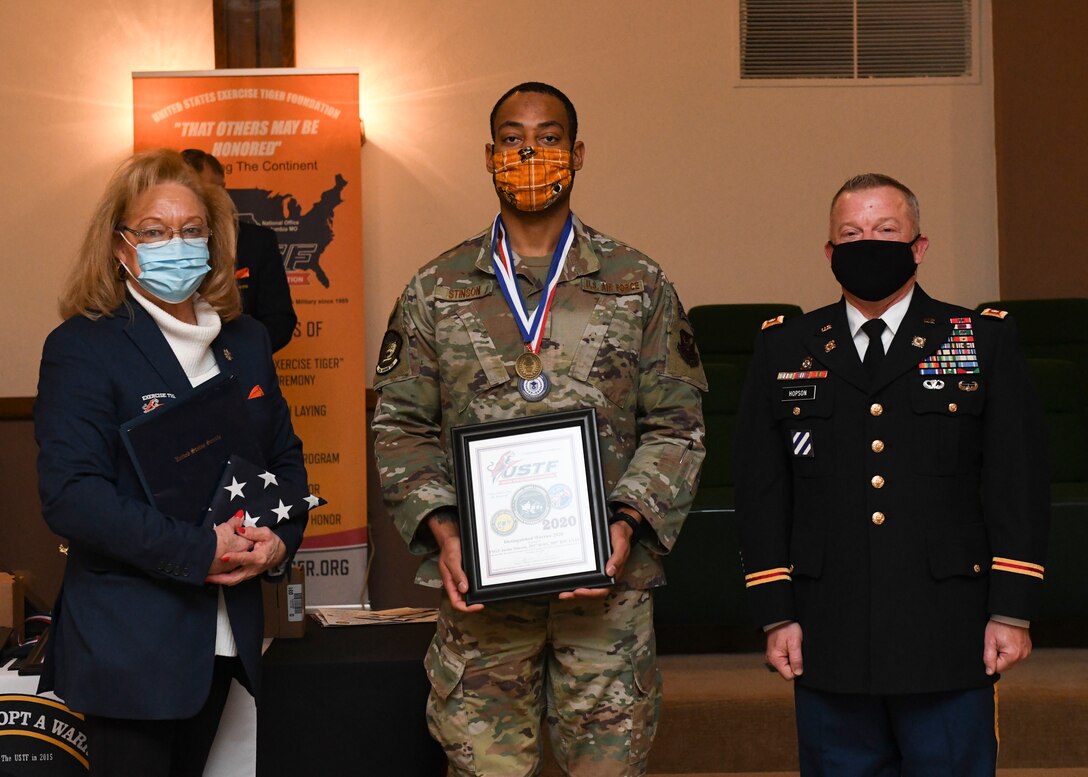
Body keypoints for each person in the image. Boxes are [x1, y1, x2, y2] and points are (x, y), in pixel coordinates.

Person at [371, 82, 707, 776]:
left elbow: (678, 423)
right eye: (514, 139)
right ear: (489, 156)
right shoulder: (435, 289)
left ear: (578, 153)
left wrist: (622, 525)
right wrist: (446, 531)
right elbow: (399, 427)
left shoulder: (638, 282)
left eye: (549, 138)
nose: (531, 152)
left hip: (606, 598)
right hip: (483, 604)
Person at [735, 173, 1049, 775]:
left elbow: (1018, 485)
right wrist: (776, 612)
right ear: (829, 253)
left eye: (885, 231)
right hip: (829, 630)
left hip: (949, 630)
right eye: (850, 234)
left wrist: (1012, 609)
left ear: (919, 246)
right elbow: (761, 491)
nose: (867, 244)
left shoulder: (981, 340)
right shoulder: (785, 347)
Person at [35, 149, 310, 776]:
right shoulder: (83, 347)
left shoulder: (246, 341)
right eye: (154, 232)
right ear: (120, 245)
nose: (175, 245)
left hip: (224, 639)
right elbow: (72, 495)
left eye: (190, 230)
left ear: (214, 241)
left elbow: (286, 467)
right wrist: (196, 551)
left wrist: (275, 546)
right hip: (130, 644)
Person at [181, 148, 297, 352]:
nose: (196, 201)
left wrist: (235, 354)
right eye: (186, 191)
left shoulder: (256, 242)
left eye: (204, 191)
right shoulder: (162, 248)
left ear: (222, 189)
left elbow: (280, 321)